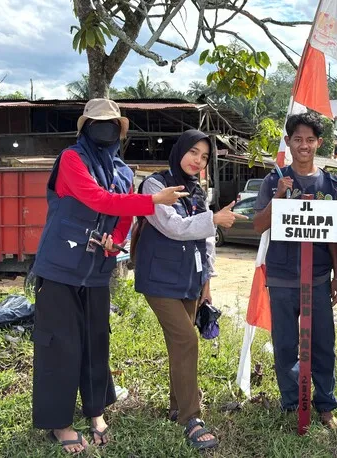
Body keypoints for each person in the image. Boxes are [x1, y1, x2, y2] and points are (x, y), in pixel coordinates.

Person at [30, 98, 187, 454]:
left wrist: (115, 241)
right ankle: (60, 423)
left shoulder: (123, 171)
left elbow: (123, 217)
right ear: (85, 128)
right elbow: (98, 200)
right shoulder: (72, 159)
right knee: (60, 345)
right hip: (60, 268)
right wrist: (152, 201)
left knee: (96, 342)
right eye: (98, 123)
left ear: (120, 131)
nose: (106, 130)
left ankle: (96, 411)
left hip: (97, 270)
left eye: (112, 124)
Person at [134, 129, 244, 451]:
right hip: (159, 278)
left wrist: (206, 283)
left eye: (204, 157)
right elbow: (173, 226)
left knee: (179, 345)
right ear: (179, 150)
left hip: (189, 280)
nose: (198, 160)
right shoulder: (155, 185)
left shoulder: (198, 191)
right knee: (186, 340)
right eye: (193, 152)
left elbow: (205, 241)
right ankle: (190, 417)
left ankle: (176, 407)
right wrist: (215, 218)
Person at [252, 112, 337, 429]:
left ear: (319, 143)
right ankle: (292, 403)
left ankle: (326, 405)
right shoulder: (273, 180)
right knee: (285, 345)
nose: (304, 145)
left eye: (310, 140)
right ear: (288, 142)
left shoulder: (330, 184)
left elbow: (334, 236)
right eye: (297, 139)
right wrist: (279, 195)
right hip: (281, 278)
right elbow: (258, 225)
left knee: (323, 344)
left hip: (317, 278)